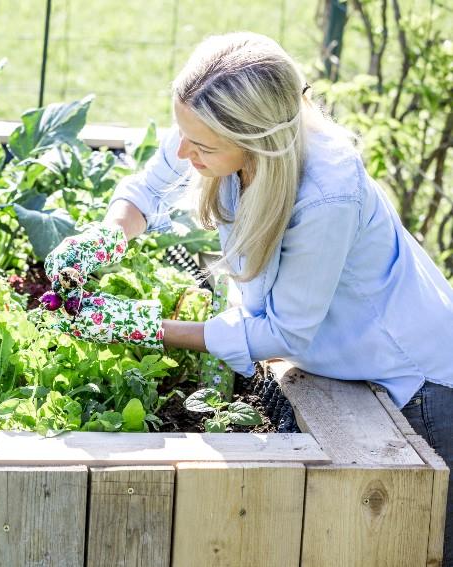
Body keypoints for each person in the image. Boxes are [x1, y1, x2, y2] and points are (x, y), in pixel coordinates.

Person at [43, 31, 453, 565]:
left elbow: (283, 334)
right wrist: (105, 237)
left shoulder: (326, 193)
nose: (185, 151)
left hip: (413, 382)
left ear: (257, 140)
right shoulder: (213, 131)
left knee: (416, 549)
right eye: (184, 134)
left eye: (203, 146)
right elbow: (148, 188)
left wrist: (144, 327)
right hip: (345, 364)